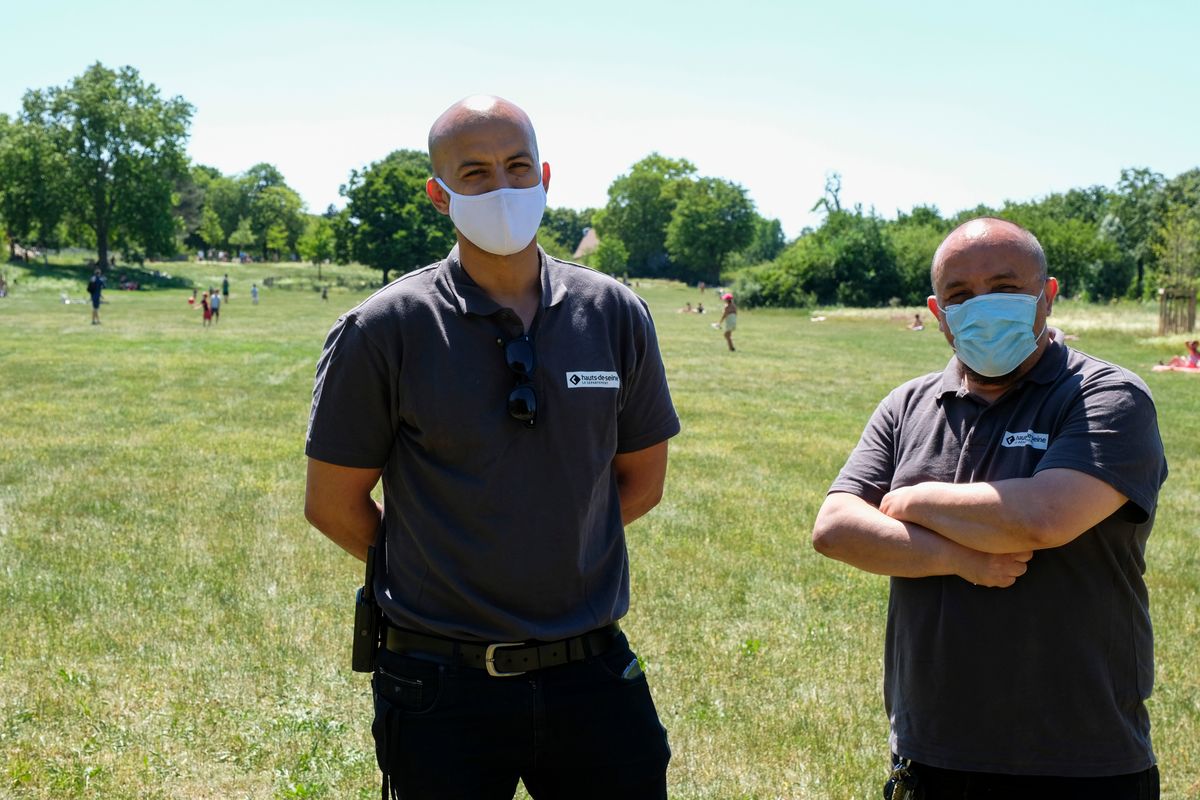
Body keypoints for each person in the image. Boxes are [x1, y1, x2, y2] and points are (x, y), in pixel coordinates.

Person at [304, 95, 679, 800]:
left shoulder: (614, 313)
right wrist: (446, 565)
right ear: (438, 194)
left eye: (516, 166)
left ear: (545, 175)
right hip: (440, 686)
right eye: (474, 172)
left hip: (592, 673)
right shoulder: (383, 329)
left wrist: (548, 544)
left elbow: (643, 481)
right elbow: (332, 503)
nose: (502, 187)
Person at [812, 217, 1167, 799]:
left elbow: (1043, 517)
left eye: (1005, 288)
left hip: (1080, 758)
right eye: (960, 295)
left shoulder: (1105, 396)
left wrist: (909, 500)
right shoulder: (908, 405)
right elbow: (835, 529)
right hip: (932, 751)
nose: (983, 306)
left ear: (1047, 295)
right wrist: (963, 559)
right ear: (938, 313)